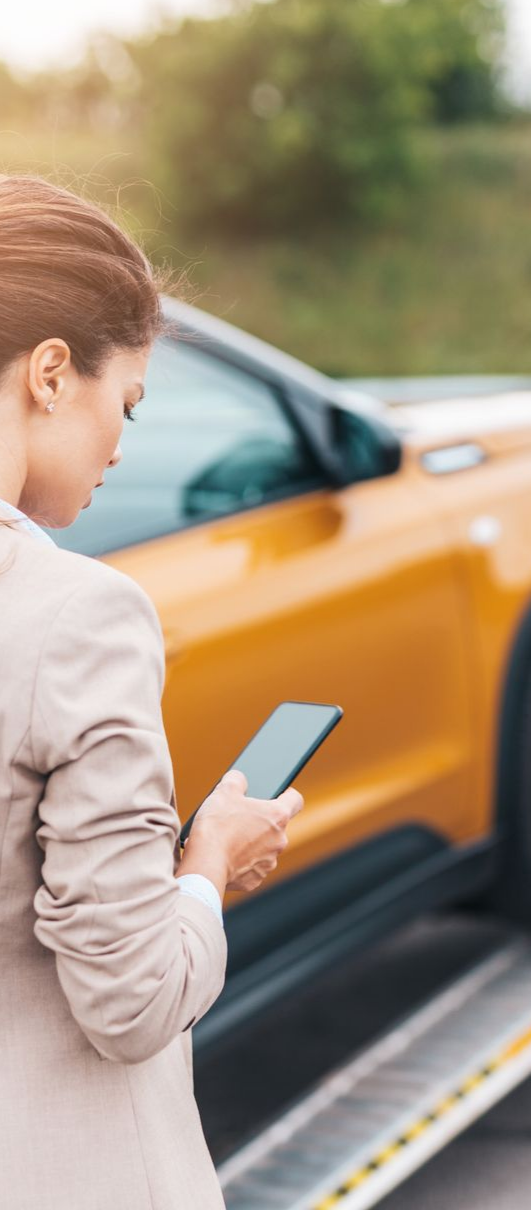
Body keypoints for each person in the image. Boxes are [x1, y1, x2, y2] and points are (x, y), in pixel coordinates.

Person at [0, 173, 304, 1209]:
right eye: (122, 401)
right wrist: (208, 862)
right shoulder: (77, 615)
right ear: (49, 372)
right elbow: (131, 999)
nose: (122, 445)